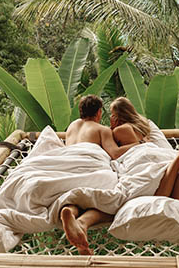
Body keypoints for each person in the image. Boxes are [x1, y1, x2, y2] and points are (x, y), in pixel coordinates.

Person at [60, 94, 138, 255]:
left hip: (66, 167)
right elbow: (115, 153)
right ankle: (82, 222)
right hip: (89, 167)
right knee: (114, 201)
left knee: (75, 199)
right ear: (99, 113)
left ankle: (72, 214)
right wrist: (137, 144)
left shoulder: (72, 126)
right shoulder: (102, 129)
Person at [110, 96, 179, 200]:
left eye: (112, 114)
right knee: (175, 194)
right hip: (156, 151)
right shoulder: (143, 124)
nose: (111, 116)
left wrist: (112, 127)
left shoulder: (119, 130)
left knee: (162, 195)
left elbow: (116, 153)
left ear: (118, 115)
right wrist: (141, 141)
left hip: (140, 155)